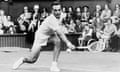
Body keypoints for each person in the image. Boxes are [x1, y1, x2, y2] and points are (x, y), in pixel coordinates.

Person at [12, 1, 75, 72]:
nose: (57, 12)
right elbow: (60, 33)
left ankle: (54, 66)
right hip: (40, 37)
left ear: (61, 10)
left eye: (59, 10)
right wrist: (68, 43)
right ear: (52, 11)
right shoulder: (52, 19)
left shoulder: (61, 15)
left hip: (49, 36)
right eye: (55, 10)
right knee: (32, 60)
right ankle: (23, 60)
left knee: (57, 40)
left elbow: (60, 27)